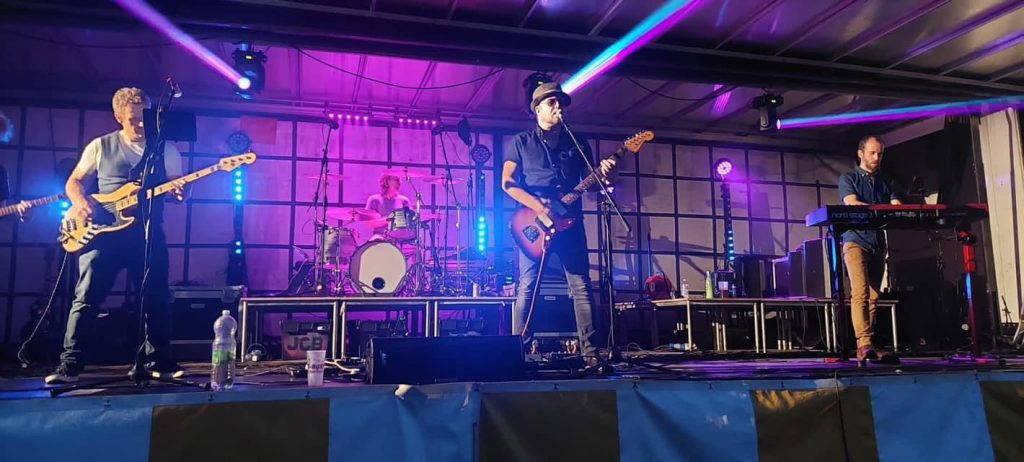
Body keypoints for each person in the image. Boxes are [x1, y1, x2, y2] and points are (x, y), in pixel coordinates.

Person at [46, 87, 187, 385]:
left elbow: (178, 188)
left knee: (156, 298)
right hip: (103, 233)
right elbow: (74, 181)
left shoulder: (167, 150)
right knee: (87, 296)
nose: (140, 124)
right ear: (118, 117)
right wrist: (81, 203)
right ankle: (70, 365)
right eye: (133, 119)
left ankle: (160, 362)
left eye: (145, 117)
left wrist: (179, 192)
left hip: (147, 234)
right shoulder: (100, 146)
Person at [501, 82, 616, 367]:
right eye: (551, 102)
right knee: (527, 287)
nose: (558, 106)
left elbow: (592, 186)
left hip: (570, 224)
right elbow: (507, 183)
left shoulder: (577, 142)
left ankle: (590, 353)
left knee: (581, 287)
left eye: (560, 102)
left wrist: (604, 174)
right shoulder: (521, 142)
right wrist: (538, 206)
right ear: (537, 109)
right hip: (533, 223)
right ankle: (518, 352)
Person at [838, 134, 904, 363]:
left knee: (874, 295)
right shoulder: (848, 178)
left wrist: (896, 204)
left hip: (877, 241)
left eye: (880, 153)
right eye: (872, 153)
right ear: (861, 154)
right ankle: (864, 343)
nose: (877, 157)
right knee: (860, 291)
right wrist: (881, 209)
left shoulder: (887, 180)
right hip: (855, 239)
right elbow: (851, 203)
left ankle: (868, 344)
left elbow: (896, 205)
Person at [365, 173, 412, 238]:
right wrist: (389, 219)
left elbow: (410, 222)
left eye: (399, 180)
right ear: (386, 181)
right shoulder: (374, 199)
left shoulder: (404, 200)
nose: (399, 182)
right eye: (396, 179)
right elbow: (369, 224)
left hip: (399, 237)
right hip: (380, 236)